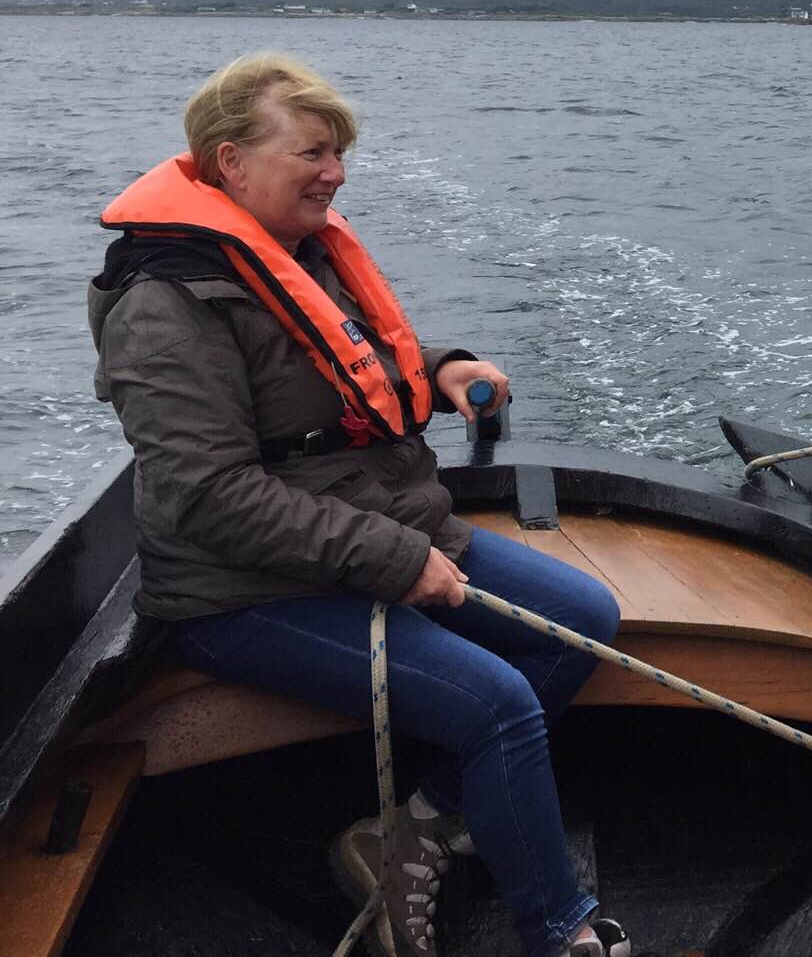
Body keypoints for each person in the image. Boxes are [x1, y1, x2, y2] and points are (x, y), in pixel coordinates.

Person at [88, 52, 630, 957]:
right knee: (497, 704)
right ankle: (561, 930)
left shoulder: (294, 260)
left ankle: (409, 830)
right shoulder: (164, 307)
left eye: (338, 152)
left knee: (584, 619)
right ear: (229, 162)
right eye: (312, 151)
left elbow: (355, 383)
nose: (335, 171)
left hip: (382, 528)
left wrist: (442, 370)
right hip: (243, 592)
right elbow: (209, 497)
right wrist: (392, 560)